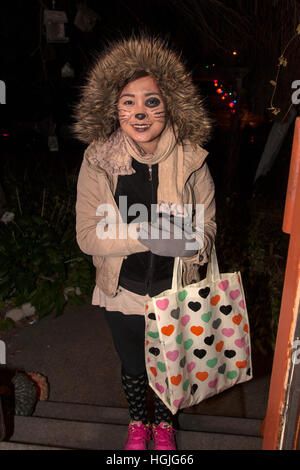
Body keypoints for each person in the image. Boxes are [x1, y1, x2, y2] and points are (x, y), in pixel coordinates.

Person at [74, 35, 216, 450]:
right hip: (123, 292)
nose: (140, 112)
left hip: (176, 291)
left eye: (151, 101)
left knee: (172, 367)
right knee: (135, 366)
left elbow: (206, 229)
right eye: (127, 102)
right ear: (111, 108)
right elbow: (87, 235)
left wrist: (191, 246)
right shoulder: (98, 160)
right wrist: (147, 234)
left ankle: (166, 425)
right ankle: (139, 423)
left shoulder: (192, 159)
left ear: (170, 103)